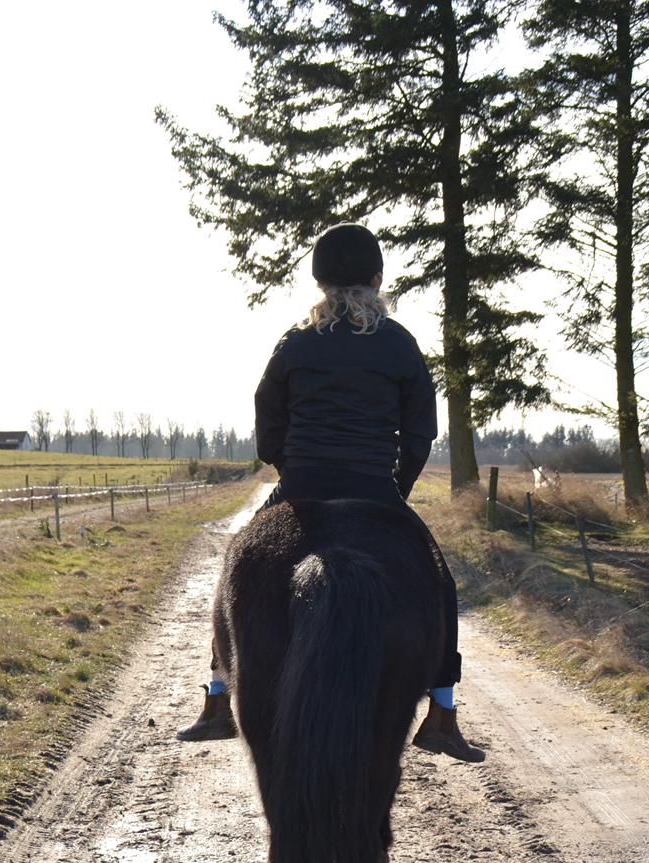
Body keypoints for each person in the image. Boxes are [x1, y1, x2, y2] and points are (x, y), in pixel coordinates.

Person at [177, 222, 484, 763]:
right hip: (375, 490)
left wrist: (288, 468)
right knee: (440, 582)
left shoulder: (294, 342)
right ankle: (442, 711)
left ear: (319, 282)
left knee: (235, 570)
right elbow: (419, 435)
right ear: (377, 278)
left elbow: (266, 424)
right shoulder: (400, 344)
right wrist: (396, 490)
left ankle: (218, 697)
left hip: (301, 487)